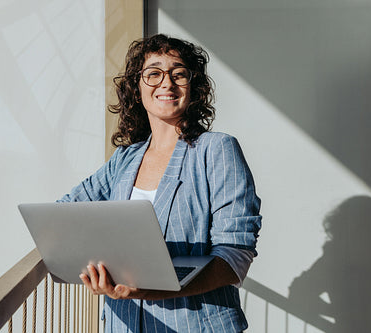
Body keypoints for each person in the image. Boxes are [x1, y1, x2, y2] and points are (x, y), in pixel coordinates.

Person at [58, 34, 261, 332]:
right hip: (123, 323)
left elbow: (234, 256)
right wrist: (96, 262)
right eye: (153, 73)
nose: (166, 83)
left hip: (193, 325)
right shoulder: (125, 159)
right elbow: (66, 213)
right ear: (137, 87)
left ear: (193, 88)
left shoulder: (216, 150)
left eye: (178, 74)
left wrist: (149, 290)